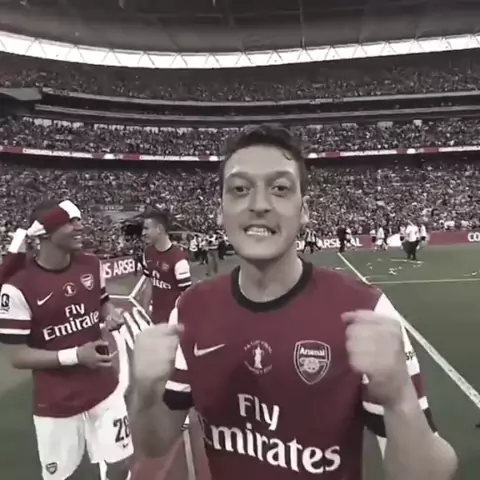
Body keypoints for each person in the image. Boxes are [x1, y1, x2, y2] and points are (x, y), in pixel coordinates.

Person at [132, 125, 457, 479]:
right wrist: (144, 393)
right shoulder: (191, 310)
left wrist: (399, 399)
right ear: (220, 211)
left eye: (280, 189)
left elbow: (430, 474)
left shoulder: (365, 311)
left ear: (304, 210)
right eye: (240, 189)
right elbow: (154, 445)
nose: (259, 204)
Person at [0, 199, 133, 480]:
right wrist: (76, 355)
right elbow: (17, 356)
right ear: (46, 233)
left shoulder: (91, 263)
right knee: (63, 477)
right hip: (56, 401)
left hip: (103, 386)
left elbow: (102, 302)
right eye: (71, 221)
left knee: (122, 465)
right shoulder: (17, 286)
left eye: (80, 220)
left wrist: (110, 314)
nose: (81, 226)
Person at [141, 208, 192, 324]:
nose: (143, 233)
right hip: (155, 317)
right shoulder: (148, 252)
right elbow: (149, 280)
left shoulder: (179, 260)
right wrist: (145, 307)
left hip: (174, 321)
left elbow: (187, 296)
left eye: (146, 228)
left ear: (159, 229)